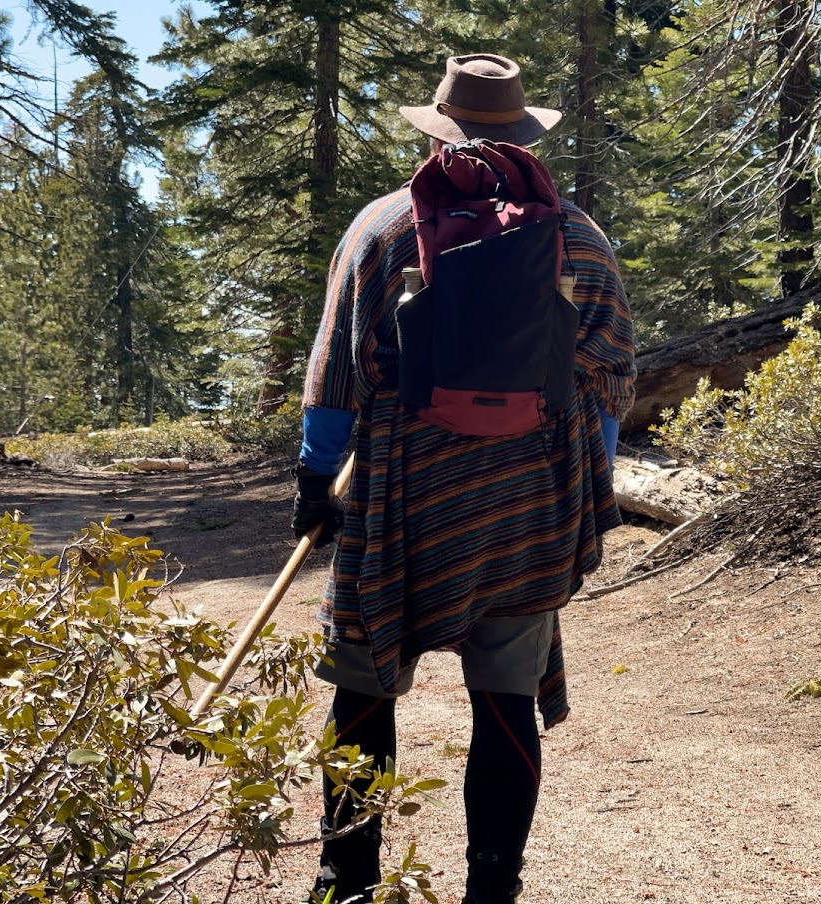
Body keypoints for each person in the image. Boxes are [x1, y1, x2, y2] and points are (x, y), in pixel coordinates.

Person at [292, 53, 636, 904]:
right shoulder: (578, 236)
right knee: (505, 694)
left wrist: (314, 474)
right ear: (521, 129)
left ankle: (347, 882)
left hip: (403, 487)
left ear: (439, 125)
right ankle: (494, 888)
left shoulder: (383, 226)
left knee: (366, 684)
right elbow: (610, 375)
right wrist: (589, 483)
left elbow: (337, 365)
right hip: (530, 494)